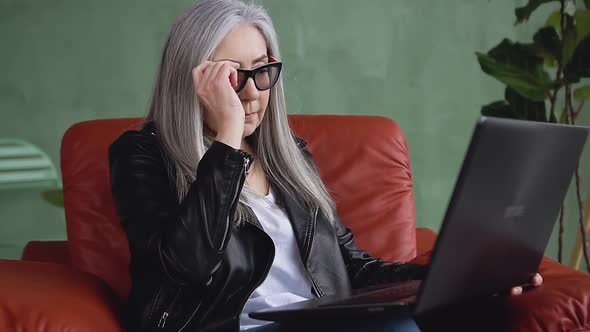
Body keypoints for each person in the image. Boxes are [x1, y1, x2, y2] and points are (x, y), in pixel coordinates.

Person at [108, 0, 543, 331]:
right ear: (196, 81)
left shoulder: (288, 155)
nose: (253, 93)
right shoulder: (143, 155)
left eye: (263, 71)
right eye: (231, 76)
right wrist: (226, 140)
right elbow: (187, 267)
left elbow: (352, 268)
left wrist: (463, 278)